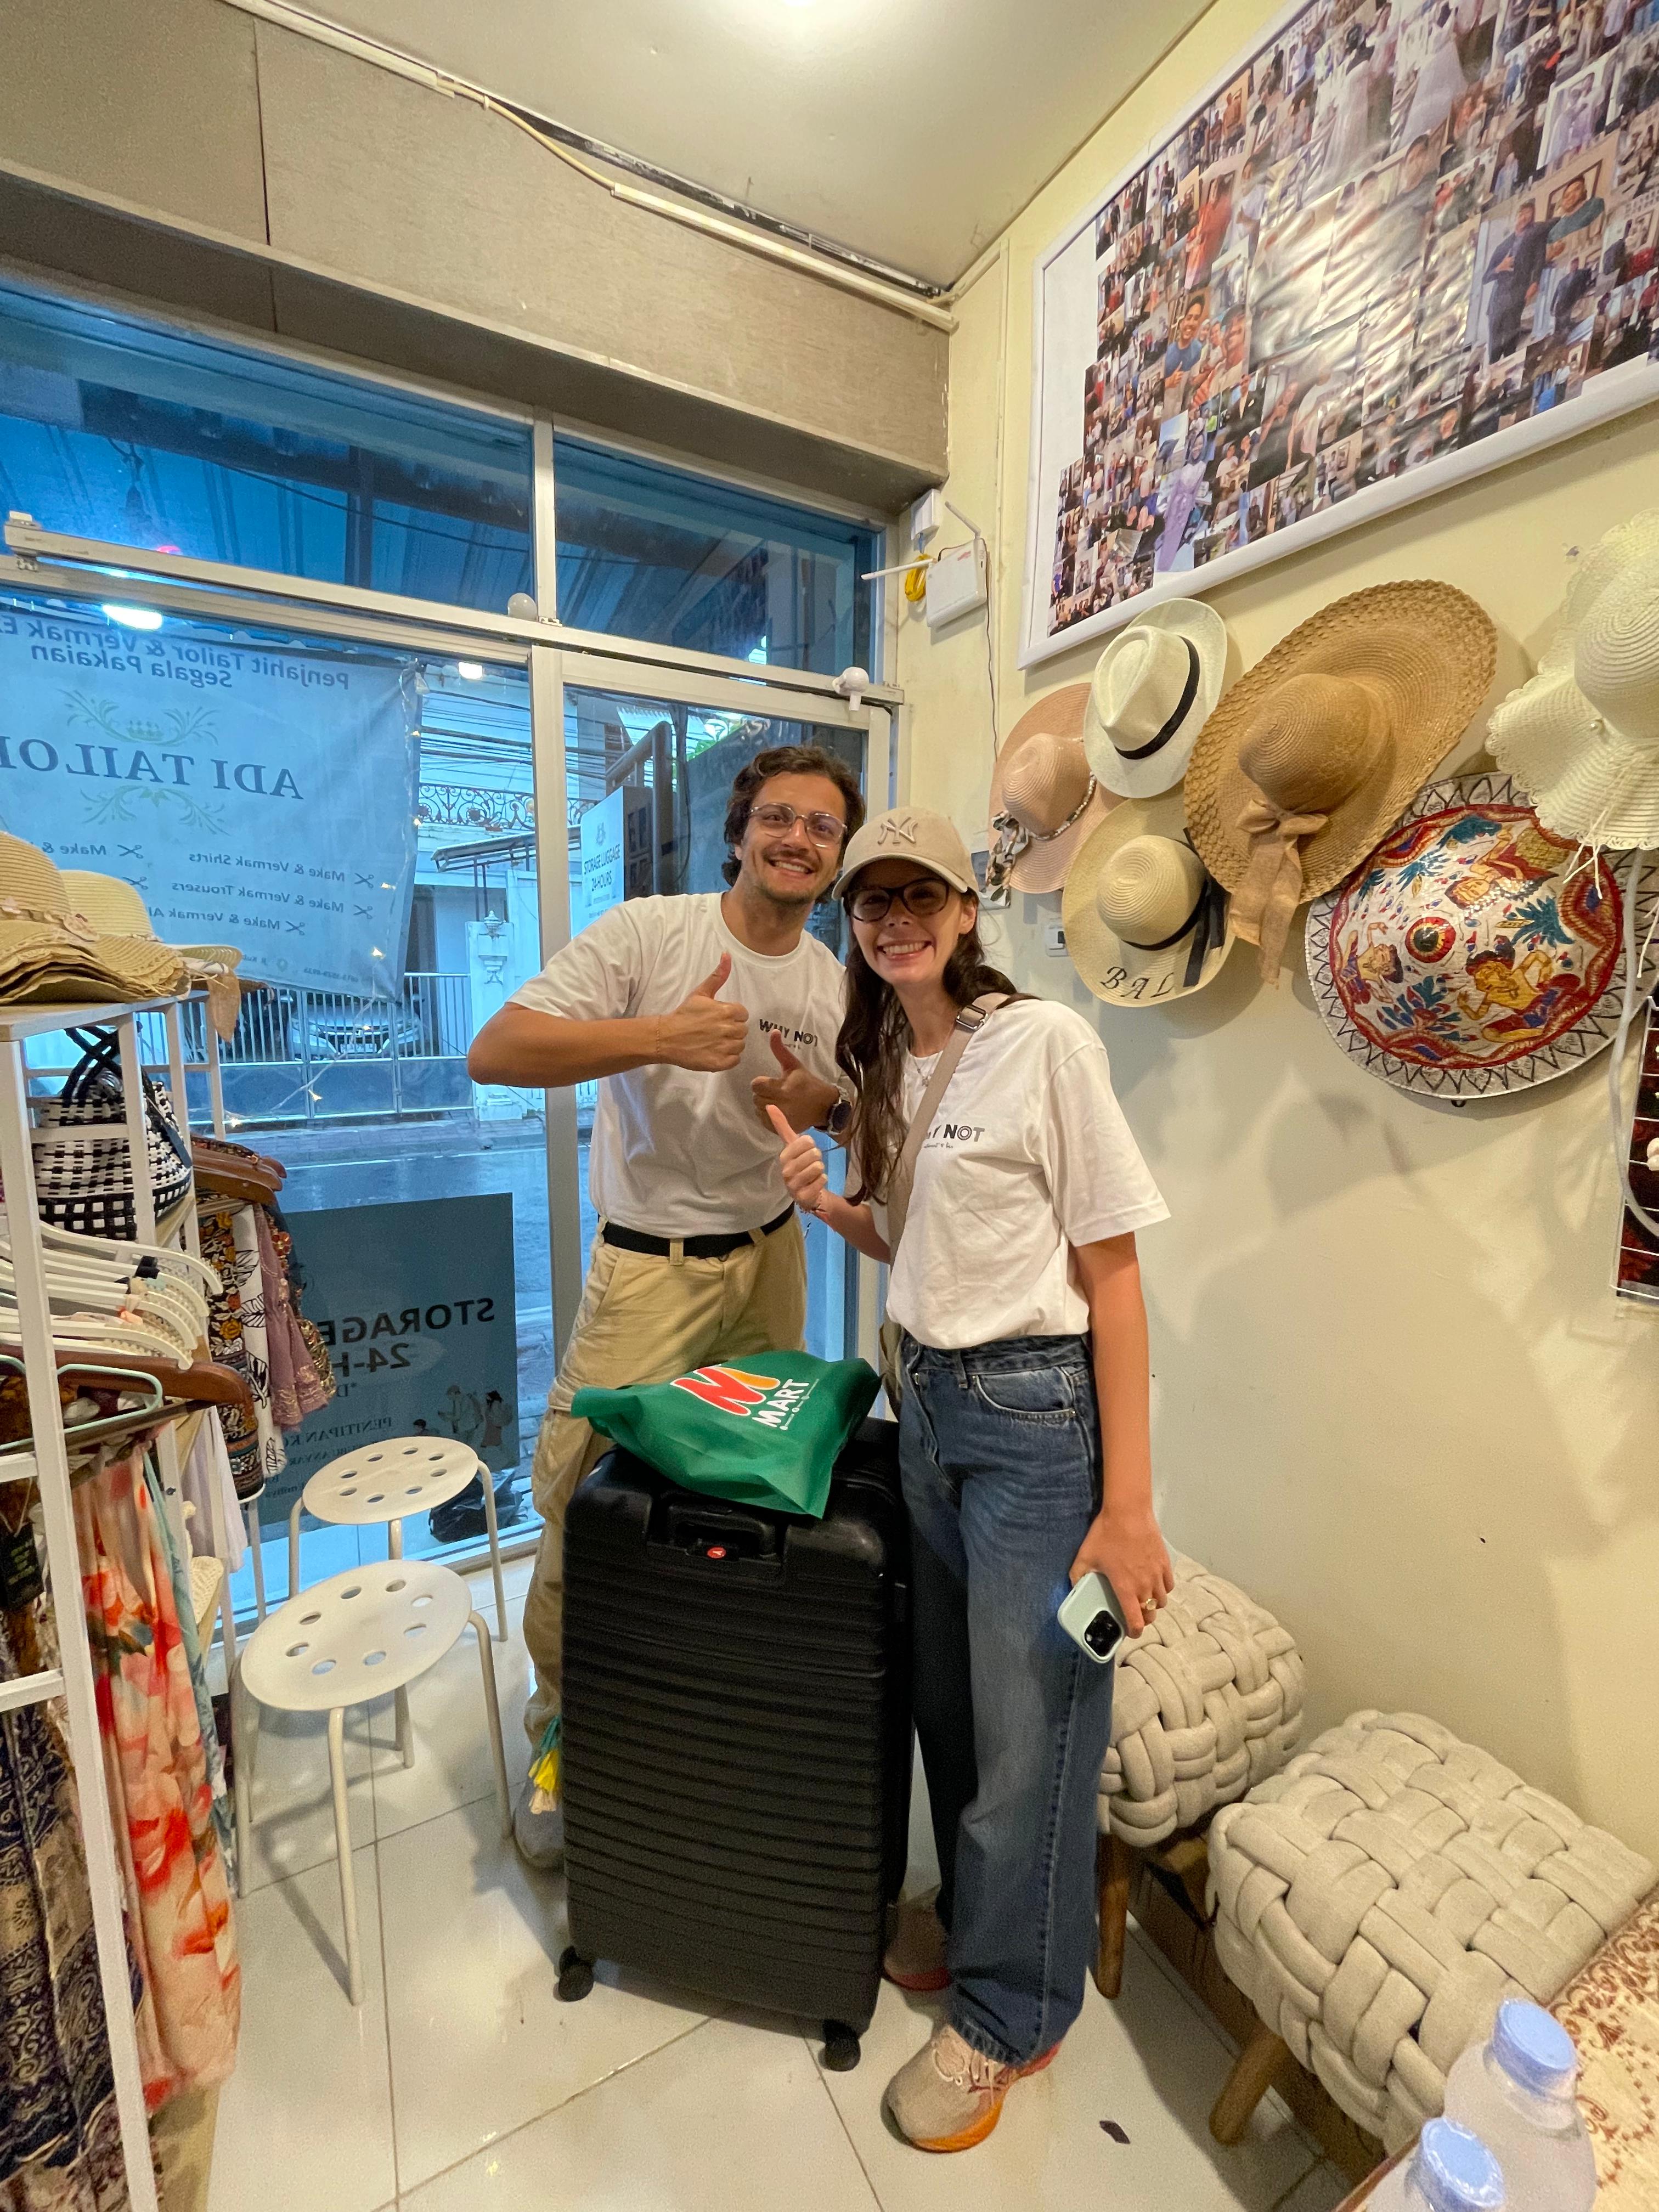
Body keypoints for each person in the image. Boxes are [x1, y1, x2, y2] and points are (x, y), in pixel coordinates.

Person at [768, 808, 1171, 2153]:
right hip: (928, 1410)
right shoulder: (893, 1059)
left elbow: (1114, 1277)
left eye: (918, 895)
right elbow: (923, 1244)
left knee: (1030, 1739)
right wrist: (832, 1208)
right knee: (949, 1709)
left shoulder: (1044, 1043)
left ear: (964, 909)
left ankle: (1012, 2011)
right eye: (872, 901)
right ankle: (980, 1920)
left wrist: (1129, 1507)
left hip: (1036, 1426)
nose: (895, 919)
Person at [467, 744, 862, 1866]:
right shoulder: (651, 933)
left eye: (820, 827)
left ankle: (694, 1695)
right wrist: (657, 1037)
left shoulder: (832, 980)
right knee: (582, 1498)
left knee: (748, 1489)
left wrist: (823, 1106)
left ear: (835, 856)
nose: (796, 839)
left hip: (771, 1262)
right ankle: (559, 1737)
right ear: (738, 834)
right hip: (649, 1269)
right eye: (777, 817)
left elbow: (853, 1112)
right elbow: (495, 1050)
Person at [1483, 198, 1549, 358]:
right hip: (1497, 302)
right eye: (1521, 213)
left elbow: (1539, 261)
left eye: (1528, 214)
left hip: (1516, 298)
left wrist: (1535, 282)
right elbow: (1486, 278)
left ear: (1532, 218)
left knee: (1510, 346)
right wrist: (1500, 267)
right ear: (1515, 217)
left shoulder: (1535, 239)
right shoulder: (1503, 247)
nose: (1524, 217)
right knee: (1494, 349)